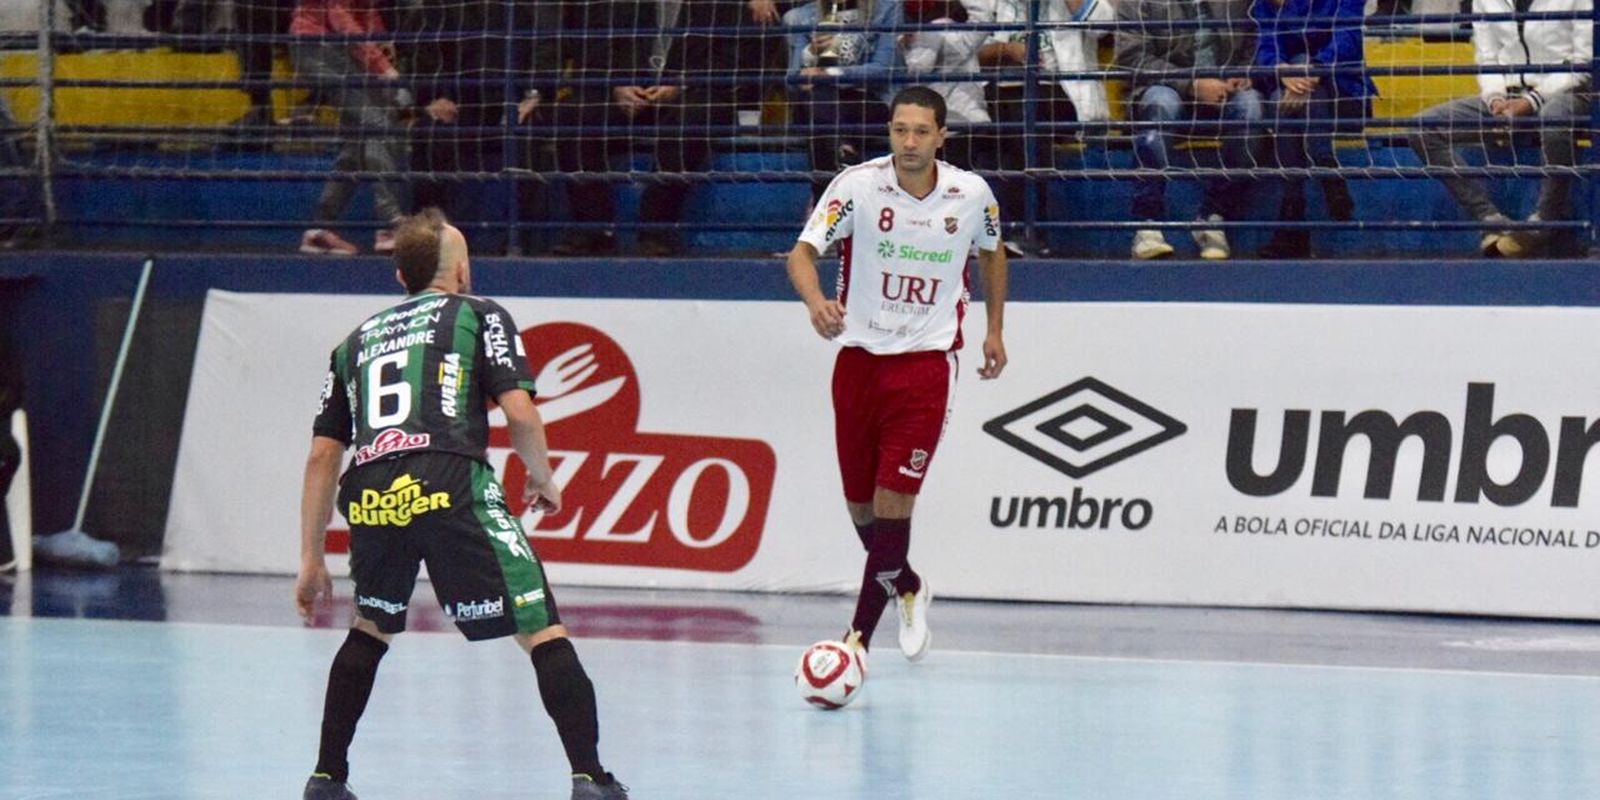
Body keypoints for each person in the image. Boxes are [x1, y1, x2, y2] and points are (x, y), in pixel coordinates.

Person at [295, 208, 629, 800]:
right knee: (540, 628)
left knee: (369, 628)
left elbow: (323, 456)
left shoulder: (353, 344)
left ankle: (326, 777)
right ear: (462, 270)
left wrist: (311, 559)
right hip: (449, 477)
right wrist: (542, 476)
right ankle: (591, 779)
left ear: (400, 277)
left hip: (371, 491)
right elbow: (521, 411)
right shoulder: (480, 315)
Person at [786, 86, 1008, 675]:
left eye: (920, 132)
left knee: (893, 502)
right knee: (861, 508)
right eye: (899, 130)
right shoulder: (856, 186)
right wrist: (815, 303)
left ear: (942, 136)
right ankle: (906, 583)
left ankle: (856, 638)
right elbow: (802, 255)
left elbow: (992, 253)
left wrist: (994, 330)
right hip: (858, 361)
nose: (908, 142)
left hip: (925, 366)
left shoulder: (971, 193)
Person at [548, 0, 745, 257]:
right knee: (573, 113)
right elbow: (594, 46)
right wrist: (618, 85)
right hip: (628, 92)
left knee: (693, 118)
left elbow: (732, 57)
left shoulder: (720, 5)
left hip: (692, 93)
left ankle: (655, 231)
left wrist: (681, 83)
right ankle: (593, 229)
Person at [1407, 0, 1592, 258]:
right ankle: (1491, 220)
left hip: (1566, 89)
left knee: (1553, 120)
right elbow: (1487, 57)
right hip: (1508, 92)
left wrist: (1531, 101)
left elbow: (1582, 63)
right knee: (1423, 127)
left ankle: (1546, 221)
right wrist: (1495, 98)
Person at [1114, 0, 1263, 260]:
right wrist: (1191, 84)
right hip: (1165, 85)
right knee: (1161, 104)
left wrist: (1243, 72)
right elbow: (1132, 58)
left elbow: (1254, 40)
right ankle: (1148, 224)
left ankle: (1213, 217)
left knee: (1252, 108)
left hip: (1222, 88)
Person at [970, 0, 1114, 256]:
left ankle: (1027, 230)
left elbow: (1103, 25)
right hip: (1000, 94)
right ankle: (1015, 232)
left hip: (1063, 95)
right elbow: (966, 50)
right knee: (1000, 116)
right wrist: (1005, 50)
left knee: (1026, 111)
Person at [1252, 0, 1374, 258]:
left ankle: (1291, 220)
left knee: (1291, 88)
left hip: (1342, 89)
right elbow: (1266, 46)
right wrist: (1282, 69)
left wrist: (1314, 68)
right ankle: (1327, 167)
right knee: (1280, 101)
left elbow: (1348, 39)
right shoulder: (1266, 4)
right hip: (1289, 90)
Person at [290, 0, 412, 256]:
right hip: (321, 45)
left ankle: (319, 231)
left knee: (357, 144)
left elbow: (365, 10)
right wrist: (383, 67)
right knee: (380, 127)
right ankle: (391, 225)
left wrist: (381, 40)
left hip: (336, 48)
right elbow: (339, 16)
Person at [784, 0, 905, 204]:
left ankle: (823, 201)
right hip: (820, 105)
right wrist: (810, 54)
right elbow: (793, 79)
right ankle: (844, 158)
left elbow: (883, 70)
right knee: (818, 99)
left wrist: (830, 73)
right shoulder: (802, 16)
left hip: (868, 103)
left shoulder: (886, 9)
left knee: (821, 111)